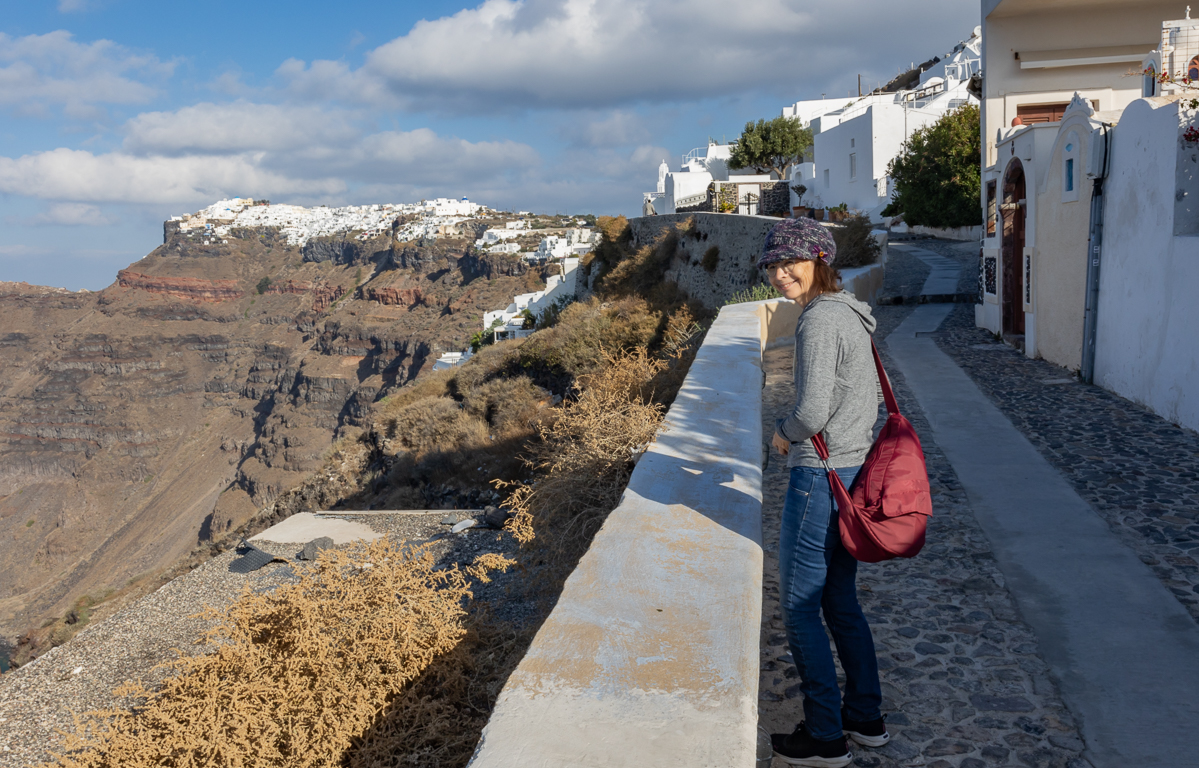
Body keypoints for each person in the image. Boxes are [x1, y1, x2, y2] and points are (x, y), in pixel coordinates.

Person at [761, 217, 889, 768]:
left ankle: (825, 736)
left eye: (791, 261)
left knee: (799, 608)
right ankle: (866, 719)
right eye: (773, 264)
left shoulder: (818, 320)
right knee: (840, 602)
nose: (780, 272)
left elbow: (811, 411)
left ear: (819, 260)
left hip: (819, 475)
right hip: (853, 470)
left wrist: (782, 432)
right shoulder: (852, 313)